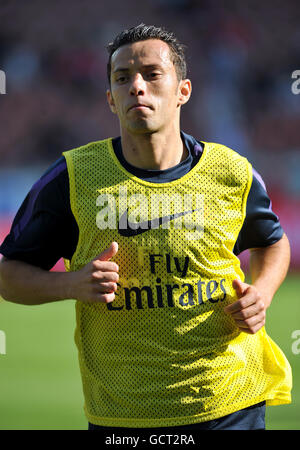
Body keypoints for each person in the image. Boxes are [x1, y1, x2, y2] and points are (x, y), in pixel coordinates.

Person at [0, 24, 292, 431]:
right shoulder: (71, 178)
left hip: (231, 403)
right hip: (124, 416)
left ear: (182, 91)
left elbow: (273, 243)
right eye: (123, 79)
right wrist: (69, 285)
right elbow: (7, 274)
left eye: (152, 74)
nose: (137, 87)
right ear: (110, 99)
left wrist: (261, 293)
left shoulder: (231, 171)